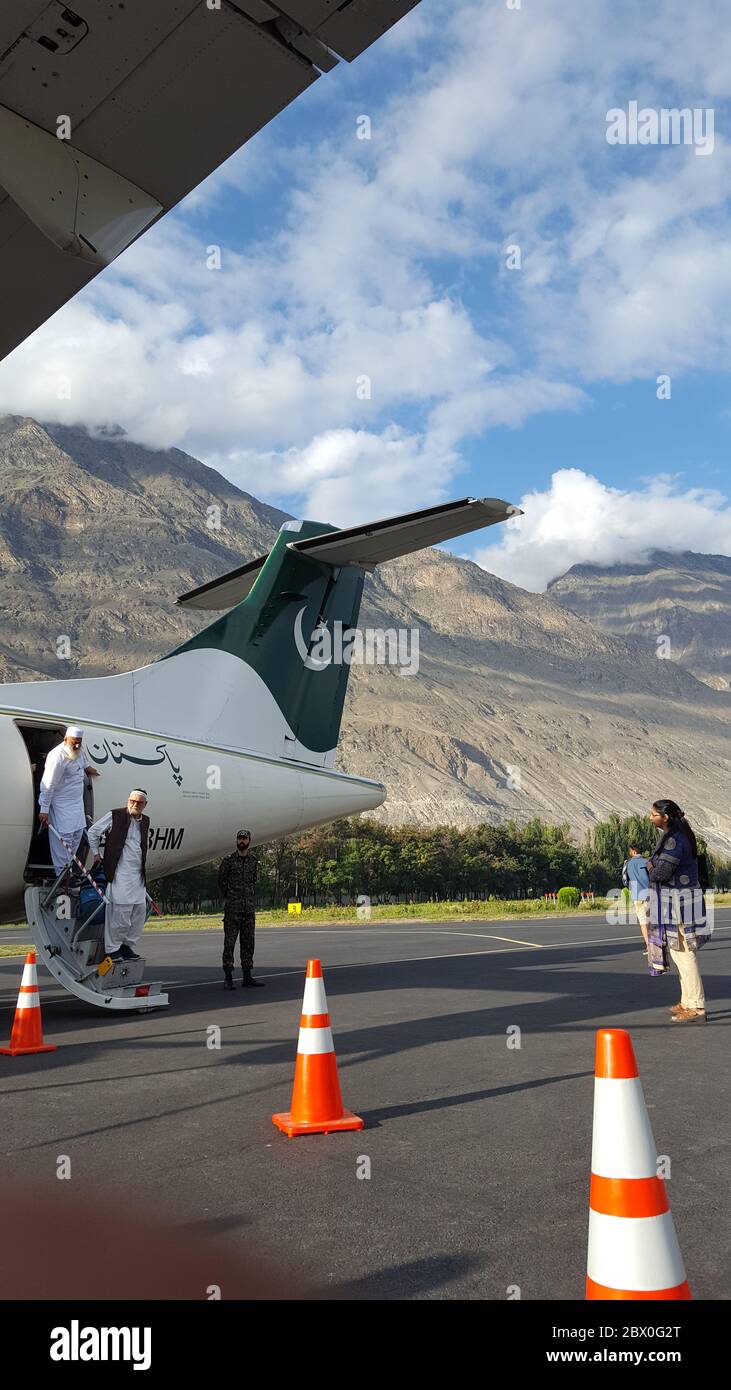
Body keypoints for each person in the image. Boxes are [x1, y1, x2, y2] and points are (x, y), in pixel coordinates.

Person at [646, 799, 708, 1023]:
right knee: (679, 951)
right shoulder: (678, 835)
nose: (650, 818)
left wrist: (650, 864)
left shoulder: (674, 840)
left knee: (685, 954)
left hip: (678, 903)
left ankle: (697, 1007)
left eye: (653, 814)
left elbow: (660, 872)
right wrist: (653, 863)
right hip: (679, 900)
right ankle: (687, 1000)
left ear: (665, 817)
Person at [87, 790, 150, 963]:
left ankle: (127, 946)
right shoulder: (115, 815)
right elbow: (93, 832)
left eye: (139, 802)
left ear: (145, 805)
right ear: (128, 800)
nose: (135, 804)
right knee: (120, 912)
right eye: (132, 801)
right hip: (119, 873)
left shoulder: (145, 821)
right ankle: (113, 949)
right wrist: (96, 853)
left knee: (139, 911)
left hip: (137, 875)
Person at [38, 726, 100, 877]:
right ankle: (63, 876)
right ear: (65, 739)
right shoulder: (57, 756)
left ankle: (69, 871)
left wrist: (90, 770)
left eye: (79, 742)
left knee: (77, 835)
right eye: (74, 742)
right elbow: (48, 784)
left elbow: (83, 763)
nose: (77, 745)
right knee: (62, 841)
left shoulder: (78, 750)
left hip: (77, 805)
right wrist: (44, 809)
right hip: (61, 805)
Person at [218, 830, 262, 990]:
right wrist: (230, 898)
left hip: (248, 909)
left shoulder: (253, 861)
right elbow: (222, 882)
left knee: (248, 943)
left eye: (244, 838)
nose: (242, 841)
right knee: (229, 944)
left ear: (250, 840)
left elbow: (253, 882)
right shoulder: (228, 861)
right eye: (240, 838)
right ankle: (228, 977)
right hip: (232, 910)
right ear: (236, 841)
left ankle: (247, 976)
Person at [622, 844, 650, 953]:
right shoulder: (648, 861)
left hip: (638, 896)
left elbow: (624, 881)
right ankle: (658, 944)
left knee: (644, 923)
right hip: (651, 894)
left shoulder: (628, 863)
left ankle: (649, 946)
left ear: (634, 852)